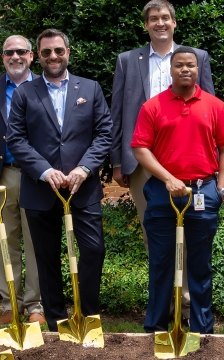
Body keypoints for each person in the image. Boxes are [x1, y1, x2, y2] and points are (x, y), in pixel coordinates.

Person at [110, 0, 214, 320]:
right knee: (154, 235)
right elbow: (117, 114)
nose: (160, 23)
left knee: (191, 231)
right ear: (146, 25)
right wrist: (117, 160)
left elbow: (209, 108)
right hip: (143, 162)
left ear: (174, 22)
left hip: (187, 162)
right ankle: (164, 304)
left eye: (165, 17)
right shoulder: (128, 61)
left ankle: (185, 305)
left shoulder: (197, 58)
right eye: (153, 18)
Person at [6, 28, 112, 331]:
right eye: (47, 52)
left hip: (83, 187)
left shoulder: (89, 89)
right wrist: (44, 170)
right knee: (46, 257)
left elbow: (104, 133)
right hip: (41, 188)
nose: (53, 56)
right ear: (37, 56)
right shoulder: (26, 93)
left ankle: (89, 316)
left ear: (68, 52)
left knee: (93, 250)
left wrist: (84, 168)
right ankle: (56, 321)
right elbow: (17, 138)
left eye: (58, 50)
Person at [131, 46, 224, 333]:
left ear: (198, 69)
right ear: (171, 69)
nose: (185, 70)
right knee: (162, 262)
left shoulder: (215, 106)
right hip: (163, 194)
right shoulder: (152, 106)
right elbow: (141, 148)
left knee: (200, 264)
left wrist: (222, 189)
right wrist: (167, 178)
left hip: (203, 192)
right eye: (179, 65)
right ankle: (156, 326)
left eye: (190, 65)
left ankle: (203, 327)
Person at [0, 35, 44, 325]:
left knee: (36, 240)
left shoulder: (44, 86)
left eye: (21, 52)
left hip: (37, 175)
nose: (15, 56)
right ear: (3, 57)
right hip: (4, 174)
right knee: (5, 240)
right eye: (8, 52)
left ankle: (35, 305)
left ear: (31, 56)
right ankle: (7, 303)